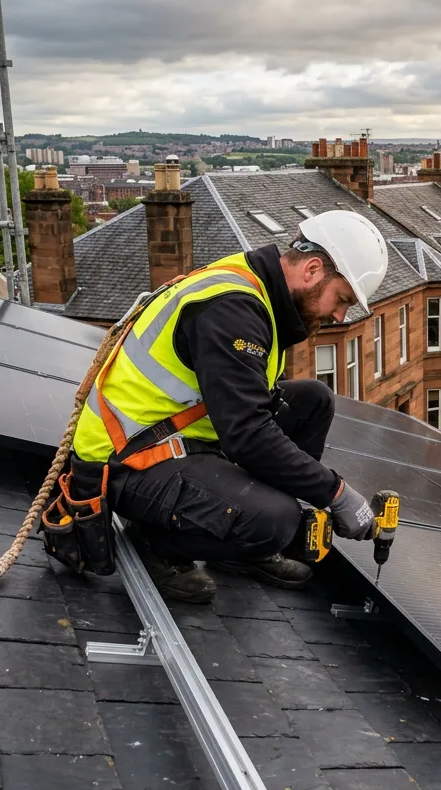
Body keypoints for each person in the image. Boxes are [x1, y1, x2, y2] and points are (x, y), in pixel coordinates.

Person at [67, 210, 390, 602]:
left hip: (178, 436)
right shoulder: (233, 310)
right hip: (126, 461)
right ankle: (159, 543)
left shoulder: (256, 287)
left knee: (314, 402)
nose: (339, 315)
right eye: (341, 299)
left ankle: (239, 549)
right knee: (277, 520)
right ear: (313, 269)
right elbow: (248, 436)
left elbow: (249, 407)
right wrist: (336, 493)